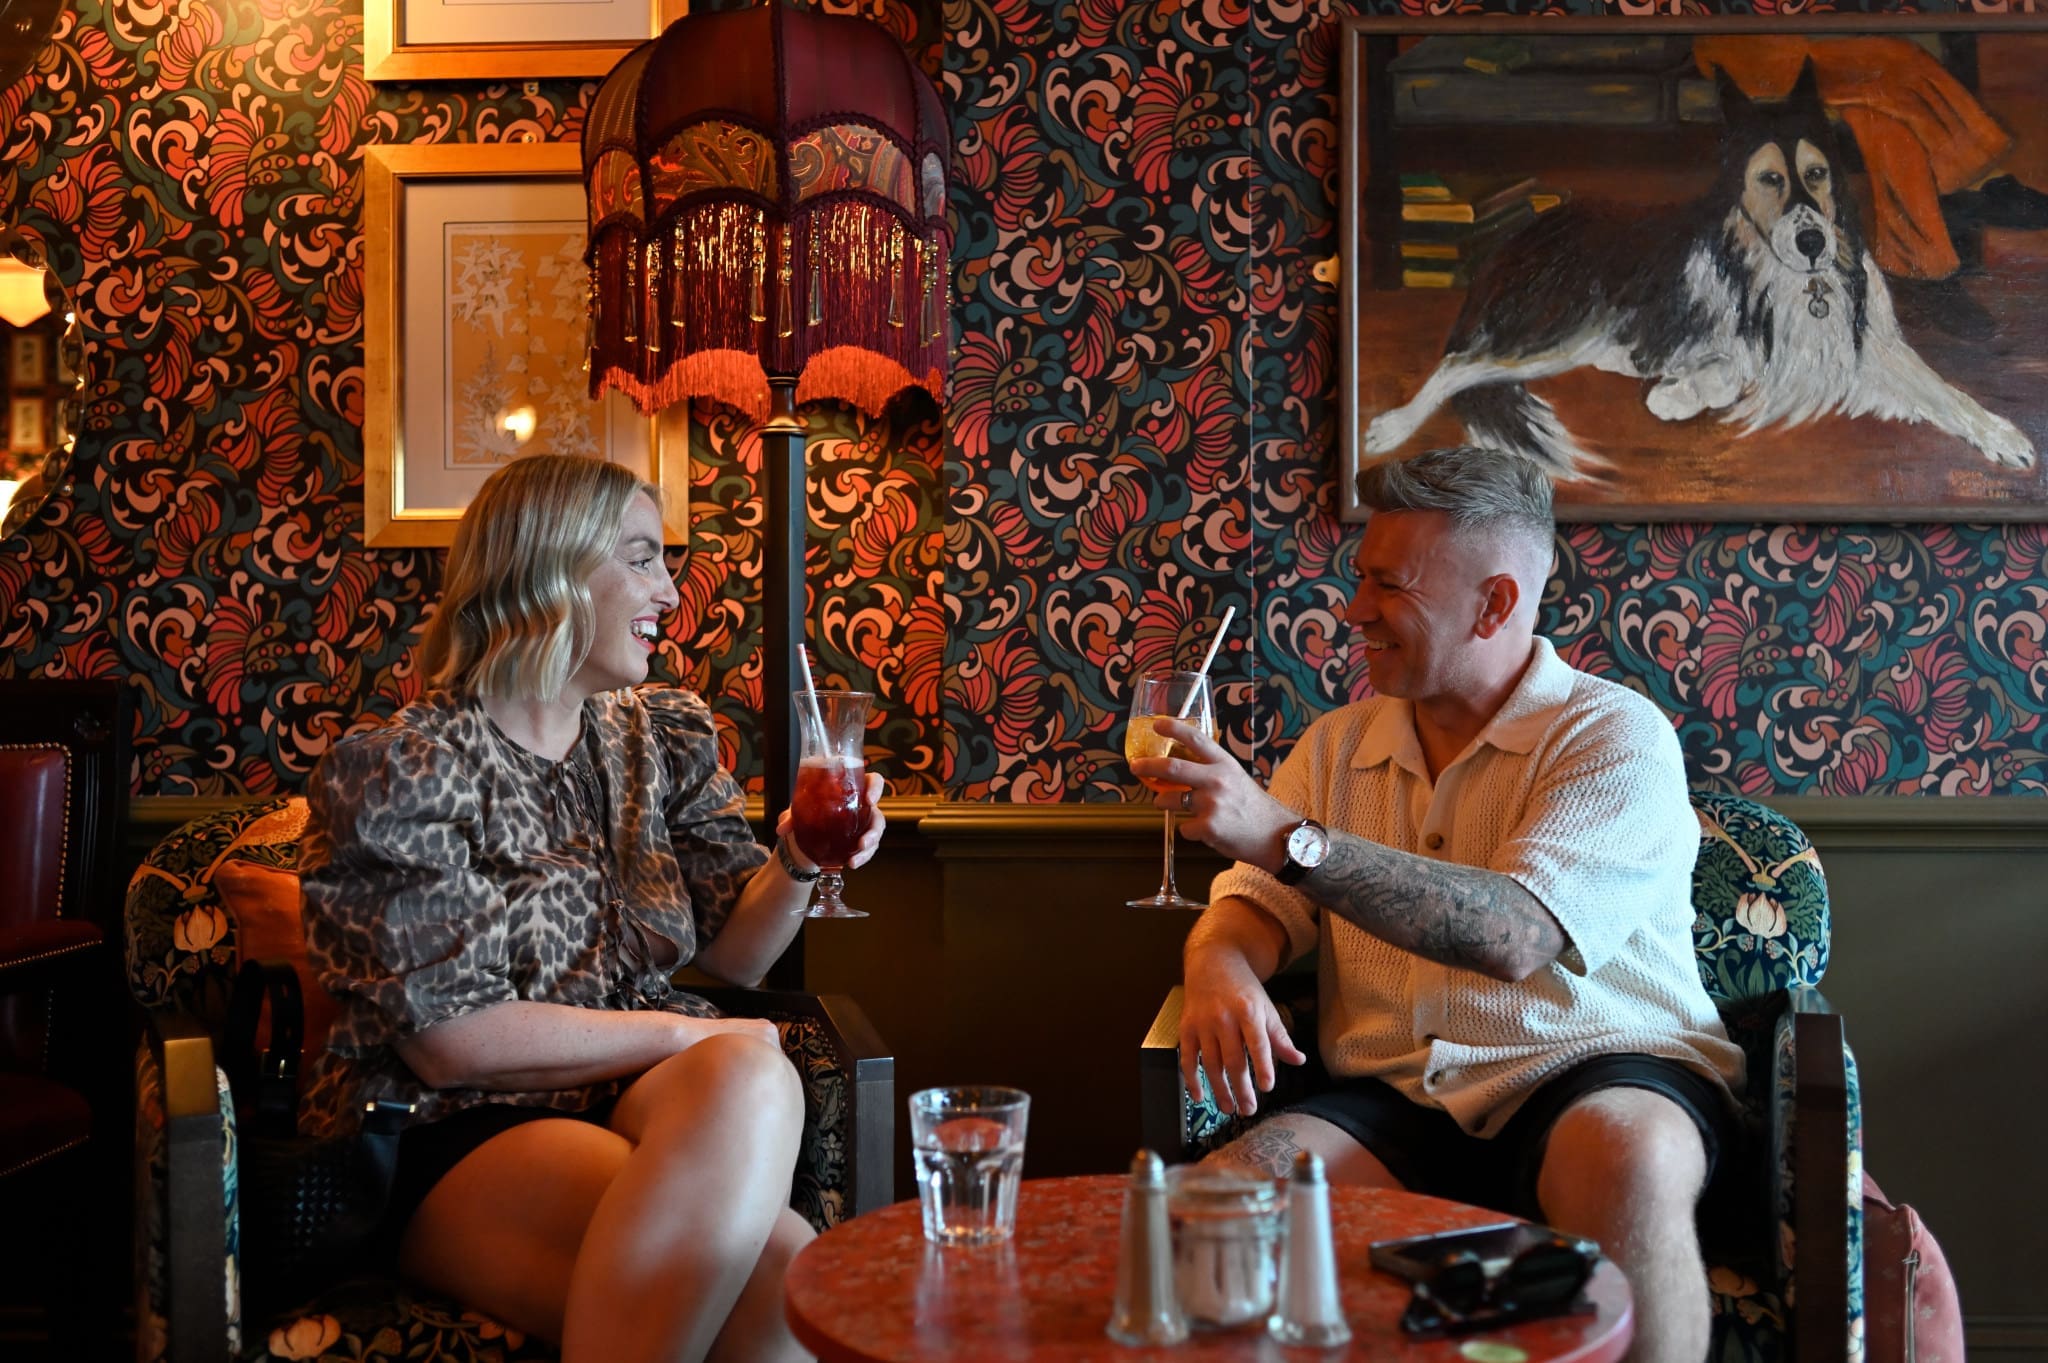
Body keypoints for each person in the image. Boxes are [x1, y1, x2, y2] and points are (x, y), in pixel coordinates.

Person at [1131, 446, 1742, 1363]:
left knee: (1629, 1158)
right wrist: (1215, 961)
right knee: (1219, 1205)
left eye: (1388, 585)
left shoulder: (1614, 736)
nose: (1356, 609)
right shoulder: (1336, 747)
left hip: (1601, 1068)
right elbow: (1256, 905)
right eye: (1360, 578)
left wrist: (1285, 835)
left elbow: (1515, 932)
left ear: (1494, 603)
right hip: (1397, 1094)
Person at [298, 453, 883, 1363]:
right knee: (782, 1278)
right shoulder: (406, 765)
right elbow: (450, 1043)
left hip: (635, 1106)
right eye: (643, 558)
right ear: (551, 570)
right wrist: (687, 1035)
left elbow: (734, 961)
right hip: (453, 1127)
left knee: (753, 1095)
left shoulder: (663, 733)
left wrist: (802, 858)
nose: (673, 591)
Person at [1693, 35, 2048, 339]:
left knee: (1886, 116)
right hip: (1748, 38)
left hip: (1813, 33)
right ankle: (1972, 184)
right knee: (1897, 66)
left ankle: (1927, 260)